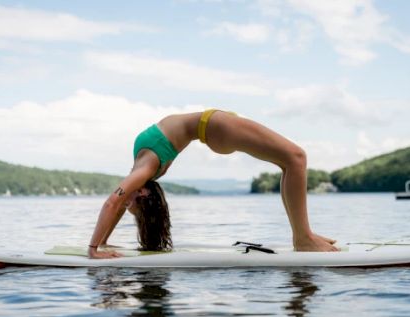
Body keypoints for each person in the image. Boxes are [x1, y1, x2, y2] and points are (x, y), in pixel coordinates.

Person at [88, 109, 338, 259]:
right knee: (296, 158)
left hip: (215, 126)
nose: (125, 202)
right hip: (215, 126)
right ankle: (303, 238)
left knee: (290, 162)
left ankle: (303, 236)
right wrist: (98, 245)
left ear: (140, 191)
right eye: (131, 204)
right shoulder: (145, 170)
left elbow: (115, 203)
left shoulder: (141, 171)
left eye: (129, 203)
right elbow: (116, 203)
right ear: (142, 191)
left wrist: (96, 246)